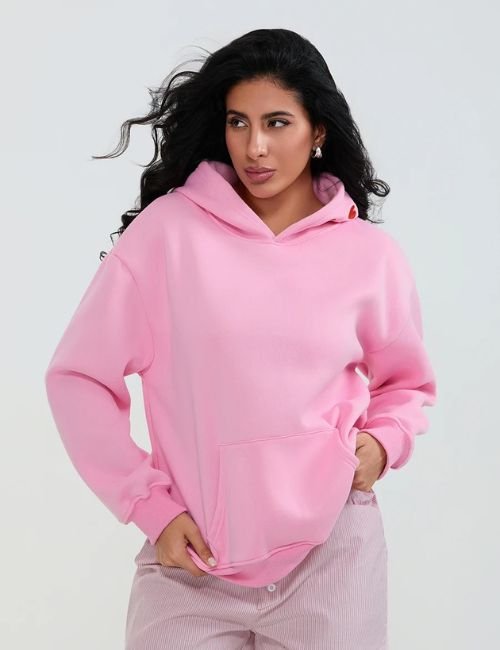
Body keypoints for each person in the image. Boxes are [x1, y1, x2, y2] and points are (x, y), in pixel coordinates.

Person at [44, 27, 437, 650]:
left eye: (277, 123)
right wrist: (151, 507)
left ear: (318, 131)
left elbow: (407, 383)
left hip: (332, 556)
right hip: (191, 562)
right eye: (238, 122)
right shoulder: (167, 235)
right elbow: (78, 378)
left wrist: (383, 444)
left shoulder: (369, 256)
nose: (255, 147)